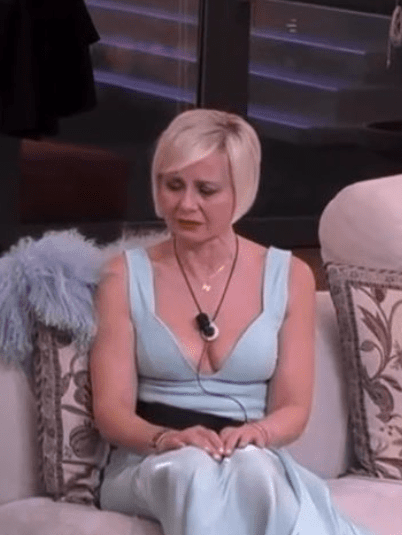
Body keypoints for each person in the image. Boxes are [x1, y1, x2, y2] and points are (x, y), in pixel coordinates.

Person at [90, 108, 371, 535]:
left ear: (242, 191)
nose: (186, 204)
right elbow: (111, 411)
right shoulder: (122, 275)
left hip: (245, 456)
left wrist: (258, 434)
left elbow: (293, 408)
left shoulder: (290, 276)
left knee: (257, 473)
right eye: (173, 185)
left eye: (206, 190)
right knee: (192, 471)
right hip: (152, 461)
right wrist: (165, 438)